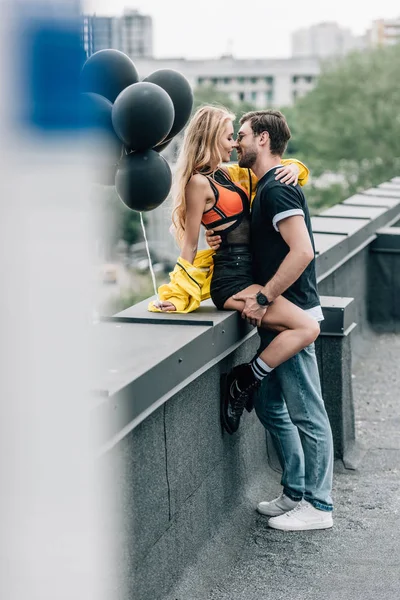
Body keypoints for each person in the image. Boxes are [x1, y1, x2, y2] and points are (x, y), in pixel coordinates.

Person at [149, 105, 320, 436]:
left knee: (305, 329)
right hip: (230, 281)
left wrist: (294, 168)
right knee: (307, 327)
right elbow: (188, 245)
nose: (234, 144)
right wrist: (176, 295)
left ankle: (247, 377)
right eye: (230, 137)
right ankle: (246, 378)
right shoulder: (197, 183)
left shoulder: (230, 174)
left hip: (249, 275)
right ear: (212, 138)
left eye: (235, 137)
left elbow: (270, 170)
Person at [207, 109, 334, 531]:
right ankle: (295, 491)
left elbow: (302, 252)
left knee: (306, 412)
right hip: (282, 312)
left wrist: (264, 296)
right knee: (269, 405)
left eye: (241, 135)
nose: (236, 143)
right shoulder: (267, 184)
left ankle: (319, 506)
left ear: (262, 139)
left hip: (290, 312)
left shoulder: (278, 191)